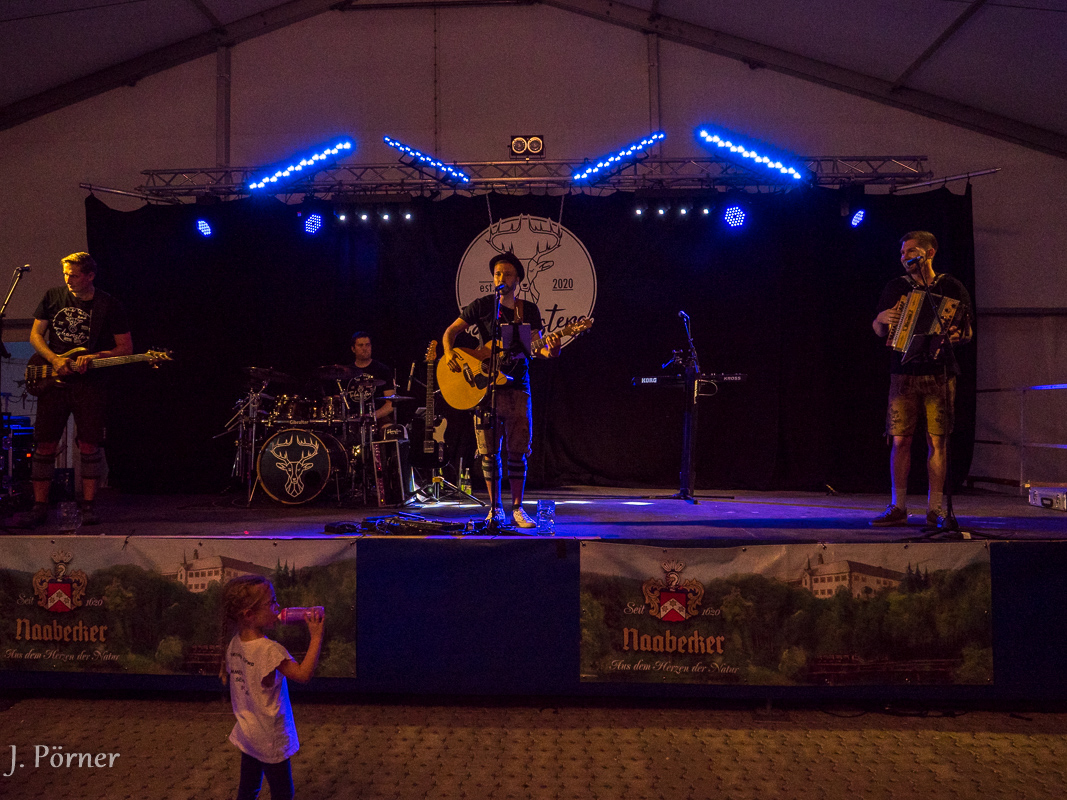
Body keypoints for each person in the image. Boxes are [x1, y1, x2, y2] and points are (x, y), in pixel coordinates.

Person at [442, 252, 561, 529]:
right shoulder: (483, 305)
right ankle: (495, 509)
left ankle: (518, 509)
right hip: (485, 390)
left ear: (518, 279)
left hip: (518, 386)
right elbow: (450, 332)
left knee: (517, 450)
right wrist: (448, 354)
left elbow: (538, 348)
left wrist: (552, 349)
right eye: (497, 274)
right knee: (488, 451)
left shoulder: (527, 309)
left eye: (507, 274)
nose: (501, 278)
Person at [18, 252, 132, 527]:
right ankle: (39, 506)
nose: (68, 279)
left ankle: (89, 506)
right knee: (45, 443)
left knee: (89, 444)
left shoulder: (108, 305)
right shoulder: (53, 296)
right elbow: (35, 335)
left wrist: (96, 356)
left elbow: (125, 348)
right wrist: (54, 359)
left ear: (90, 276)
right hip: (53, 380)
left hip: (90, 384)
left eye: (74, 275)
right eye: (66, 274)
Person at [870, 231, 973, 527]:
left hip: (940, 373)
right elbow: (879, 330)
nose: (904, 257)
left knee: (937, 441)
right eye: (902, 252)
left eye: (911, 251)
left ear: (929, 253)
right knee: (900, 440)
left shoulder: (951, 287)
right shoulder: (896, 287)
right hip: (903, 374)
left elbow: (967, 332)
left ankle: (936, 509)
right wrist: (880, 319)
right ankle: (898, 506)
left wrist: (955, 336)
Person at [220, 575, 325, 800]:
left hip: (249, 733)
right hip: (270, 738)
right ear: (249, 614)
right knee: (283, 793)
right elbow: (303, 675)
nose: (278, 607)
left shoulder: (235, 643)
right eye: (272, 603)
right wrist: (316, 636)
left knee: (248, 789)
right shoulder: (270, 650)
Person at [349, 331, 395, 426]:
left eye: (367, 345)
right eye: (360, 345)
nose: (364, 348)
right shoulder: (346, 372)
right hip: (352, 420)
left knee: (390, 429)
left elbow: (390, 404)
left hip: (378, 418)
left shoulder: (382, 370)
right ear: (353, 349)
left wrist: (371, 416)